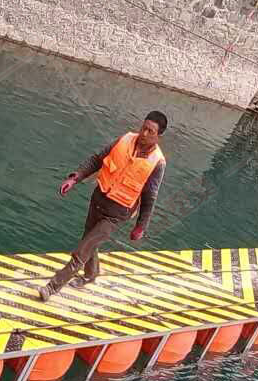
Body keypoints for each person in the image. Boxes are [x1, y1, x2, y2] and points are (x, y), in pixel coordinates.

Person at [38, 112, 168, 301]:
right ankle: (91, 274)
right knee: (89, 240)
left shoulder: (157, 162)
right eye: (143, 128)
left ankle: (51, 287)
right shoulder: (125, 139)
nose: (144, 133)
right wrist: (75, 178)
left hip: (117, 213)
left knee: (82, 251)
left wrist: (140, 226)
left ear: (159, 136)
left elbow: (150, 197)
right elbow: (97, 160)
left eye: (151, 131)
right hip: (99, 200)